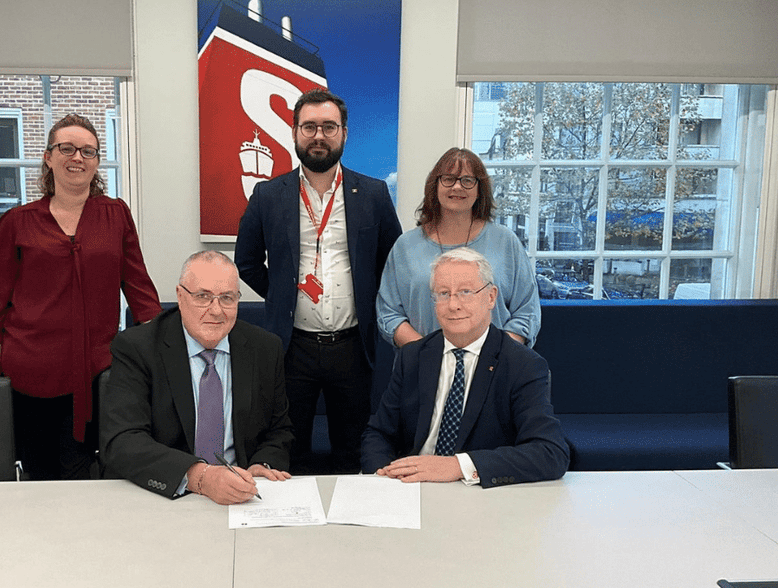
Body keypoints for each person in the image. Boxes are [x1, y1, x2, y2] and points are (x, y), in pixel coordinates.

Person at [0, 113, 162, 481]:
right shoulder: (17, 223)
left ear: (96, 162)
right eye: (67, 148)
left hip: (98, 380)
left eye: (88, 151)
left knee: (86, 478)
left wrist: (166, 365)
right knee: (41, 481)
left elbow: (141, 294)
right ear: (49, 158)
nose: (77, 157)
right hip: (28, 382)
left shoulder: (116, 215)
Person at [235, 88, 403, 474]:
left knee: (354, 448)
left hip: (354, 346)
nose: (319, 136)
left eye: (329, 126)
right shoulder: (267, 195)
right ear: (294, 133)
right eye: (309, 126)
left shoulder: (373, 193)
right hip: (291, 347)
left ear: (344, 133)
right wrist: (282, 297)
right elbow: (246, 262)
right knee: (288, 448)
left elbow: (390, 261)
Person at [362, 248, 568, 487]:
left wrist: (457, 465)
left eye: (465, 292)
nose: (453, 305)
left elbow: (550, 452)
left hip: (478, 490)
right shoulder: (413, 356)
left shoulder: (522, 365)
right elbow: (378, 434)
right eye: (443, 293)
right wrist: (383, 479)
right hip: (411, 488)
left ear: (491, 297)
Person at [100, 251, 293, 505]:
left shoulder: (264, 349)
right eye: (203, 297)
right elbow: (122, 440)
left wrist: (261, 464)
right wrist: (200, 476)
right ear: (180, 297)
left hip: (239, 498)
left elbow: (279, 431)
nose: (216, 311)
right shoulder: (138, 347)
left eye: (227, 298)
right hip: (165, 495)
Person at [376, 147, 540, 348]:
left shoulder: (506, 242)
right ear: (435, 185)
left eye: (467, 180)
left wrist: (496, 356)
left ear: (480, 189)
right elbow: (389, 312)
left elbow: (527, 311)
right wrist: (427, 355)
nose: (457, 187)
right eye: (448, 179)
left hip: (494, 369)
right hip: (422, 369)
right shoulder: (406, 246)